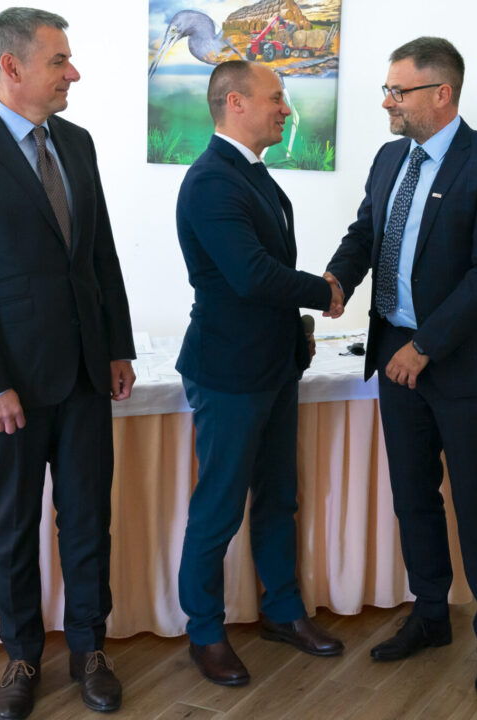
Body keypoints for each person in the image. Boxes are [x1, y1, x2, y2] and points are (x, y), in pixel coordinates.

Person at [0, 8, 135, 719]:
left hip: (85, 375)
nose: (74, 73)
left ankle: (89, 650)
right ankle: (21, 656)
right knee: (12, 529)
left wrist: (117, 345)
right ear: (12, 67)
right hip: (8, 386)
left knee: (87, 520)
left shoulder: (77, 142)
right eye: (59, 61)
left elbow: (99, 255)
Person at [325, 37, 477, 702]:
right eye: (386, 89)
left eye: (398, 91)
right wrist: (337, 280)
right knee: (413, 495)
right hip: (394, 354)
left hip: (459, 362)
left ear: (442, 94)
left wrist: (426, 346)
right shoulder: (390, 159)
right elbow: (366, 232)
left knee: (475, 500)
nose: (387, 101)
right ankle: (431, 614)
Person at [174, 60, 345, 688]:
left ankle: (282, 612)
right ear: (235, 103)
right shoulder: (210, 181)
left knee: (279, 498)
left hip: (274, 366)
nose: (286, 109)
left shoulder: (252, 174)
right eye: (276, 97)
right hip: (228, 370)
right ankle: (204, 632)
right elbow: (250, 275)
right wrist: (323, 292)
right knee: (218, 508)